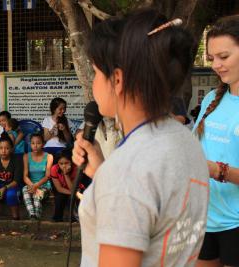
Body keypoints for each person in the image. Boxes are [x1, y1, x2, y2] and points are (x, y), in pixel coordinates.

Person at [73, 11, 209, 266]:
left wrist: (112, 175)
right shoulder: (186, 141)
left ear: (117, 79)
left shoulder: (127, 170)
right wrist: (103, 173)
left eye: (95, 73)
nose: (93, 85)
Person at [194, 16, 239, 267]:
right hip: (205, 219)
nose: (216, 65)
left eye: (224, 56)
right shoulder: (213, 98)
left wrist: (217, 170)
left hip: (236, 223)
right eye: (212, 58)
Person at [50, 149, 88, 222]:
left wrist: (66, 174)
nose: (64, 166)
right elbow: (59, 188)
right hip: (65, 190)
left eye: (66, 163)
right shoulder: (54, 169)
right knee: (59, 198)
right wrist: (76, 194)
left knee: (72, 198)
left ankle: (74, 219)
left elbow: (72, 188)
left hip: (76, 188)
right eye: (61, 163)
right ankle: (58, 219)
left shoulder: (76, 169)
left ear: (71, 162)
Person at [22, 133, 53, 220]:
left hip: (44, 185)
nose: (35, 146)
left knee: (37, 195)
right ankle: (32, 215)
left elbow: (47, 176)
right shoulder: (26, 156)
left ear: (43, 144)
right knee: (24, 189)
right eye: (33, 143)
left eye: (38, 143)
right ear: (30, 144)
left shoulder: (49, 156)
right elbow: (25, 176)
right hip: (31, 184)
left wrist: (36, 186)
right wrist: (33, 185)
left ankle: (36, 218)